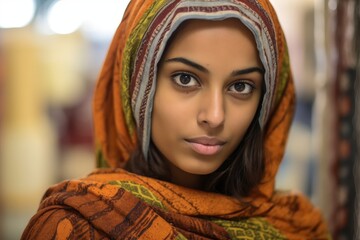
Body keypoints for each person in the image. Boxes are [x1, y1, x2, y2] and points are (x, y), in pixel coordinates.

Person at [21, 0, 330, 239]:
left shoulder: (297, 225)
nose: (214, 115)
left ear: (267, 102)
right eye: (185, 79)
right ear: (136, 86)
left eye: (240, 86)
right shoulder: (76, 226)